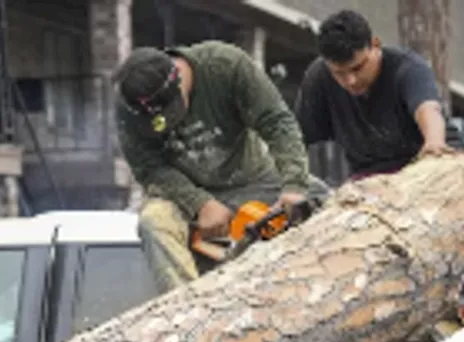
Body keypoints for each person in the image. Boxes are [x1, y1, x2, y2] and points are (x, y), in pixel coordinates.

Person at [114, 42, 326, 289]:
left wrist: (293, 185)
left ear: (179, 79)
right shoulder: (130, 108)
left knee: (321, 197)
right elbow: (149, 169)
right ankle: (187, 310)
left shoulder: (225, 67)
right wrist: (199, 203)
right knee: (154, 221)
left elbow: (277, 123)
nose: (169, 125)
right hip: (185, 193)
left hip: (254, 178)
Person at [295, 10, 462, 179]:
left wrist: (434, 143)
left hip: (432, 164)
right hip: (370, 179)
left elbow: (427, 109)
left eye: (357, 68)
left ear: (375, 45)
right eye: (339, 73)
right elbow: (296, 139)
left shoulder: (408, 67)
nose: (350, 81)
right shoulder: (319, 77)